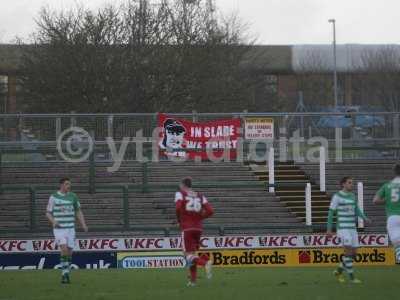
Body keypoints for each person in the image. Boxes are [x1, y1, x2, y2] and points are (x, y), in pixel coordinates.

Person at [327, 176, 371, 283]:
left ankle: (338, 271)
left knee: (354, 253)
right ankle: (352, 278)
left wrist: (364, 218)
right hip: (343, 228)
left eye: (352, 183)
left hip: (352, 228)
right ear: (343, 184)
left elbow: (356, 209)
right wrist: (329, 229)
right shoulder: (337, 196)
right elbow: (331, 212)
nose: (352, 184)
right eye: (349, 183)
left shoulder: (352, 195)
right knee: (348, 251)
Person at [46, 177, 88, 284]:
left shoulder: (73, 196)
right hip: (59, 229)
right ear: (61, 185)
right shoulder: (53, 197)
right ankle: (64, 274)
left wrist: (83, 224)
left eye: (69, 184)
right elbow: (48, 213)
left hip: (70, 229)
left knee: (69, 252)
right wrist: (53, 221)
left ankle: (66, 272)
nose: (68, 186)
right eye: (66, 184)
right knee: (63, 249)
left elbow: (78, 211)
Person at [175, 177, 214, 287]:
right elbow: (211, 211)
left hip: (187, 228)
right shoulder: (200, 195)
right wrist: (200, 218)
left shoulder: (180, 193)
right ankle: (192, 281)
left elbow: (178, 208)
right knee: (192, 255)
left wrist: (179, 220)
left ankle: (205, 263)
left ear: (183, 185)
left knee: (187, 255)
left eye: (180, 185)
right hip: (198, 228)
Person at [373, 163, 400, 264]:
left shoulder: (387, 185)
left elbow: (375, 200)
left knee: (396, 240)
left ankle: (398, 257)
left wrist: (388, 200)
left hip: (392, 217)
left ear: (394, 172)